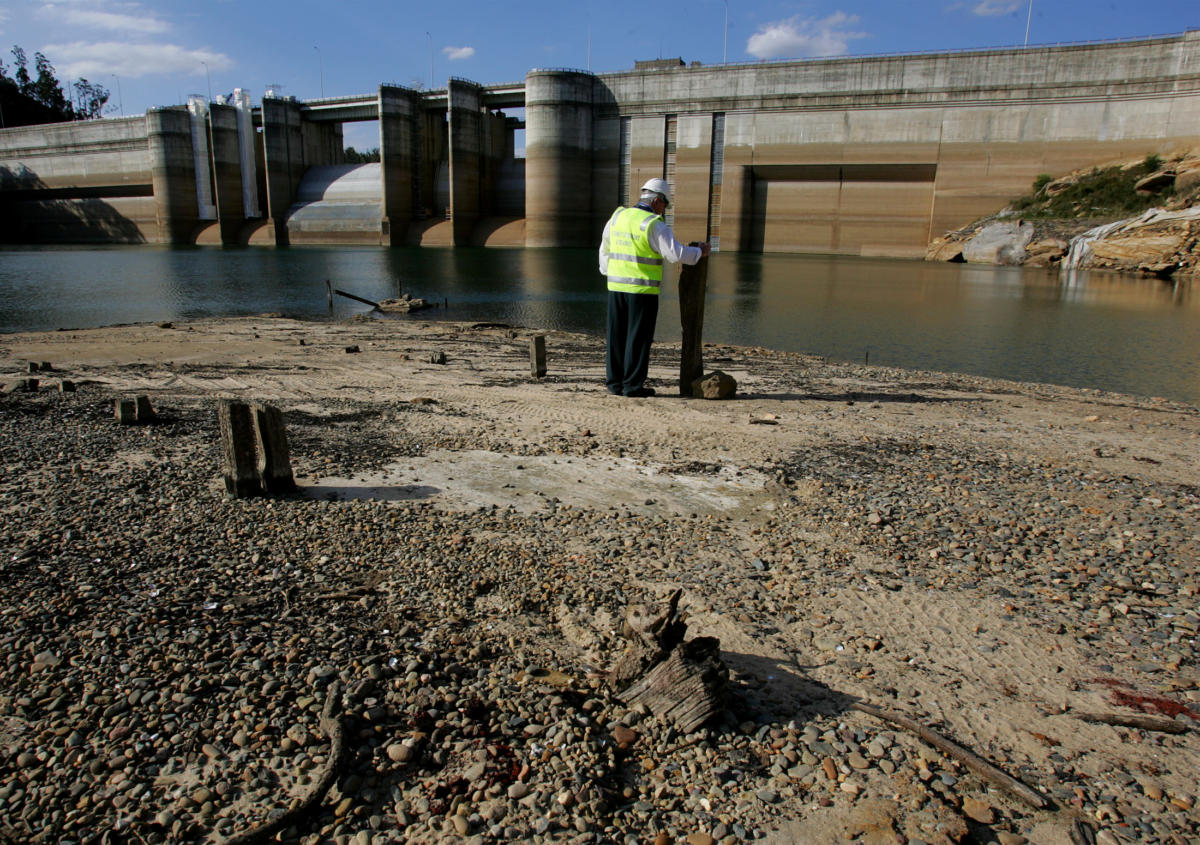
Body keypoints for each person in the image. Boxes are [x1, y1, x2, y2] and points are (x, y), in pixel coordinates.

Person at [599, 177, 710, 397]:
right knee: (638, 339)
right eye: (666, 205)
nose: (665, 210)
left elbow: (605, 251)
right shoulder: (653, 224)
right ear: (657, 200)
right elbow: (675, 254)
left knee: (616, 336)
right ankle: (632, 386)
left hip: (616, 288)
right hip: (642, 291)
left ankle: (614, 384)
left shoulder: (617, 217)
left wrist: (610, 273)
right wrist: (700, 252)